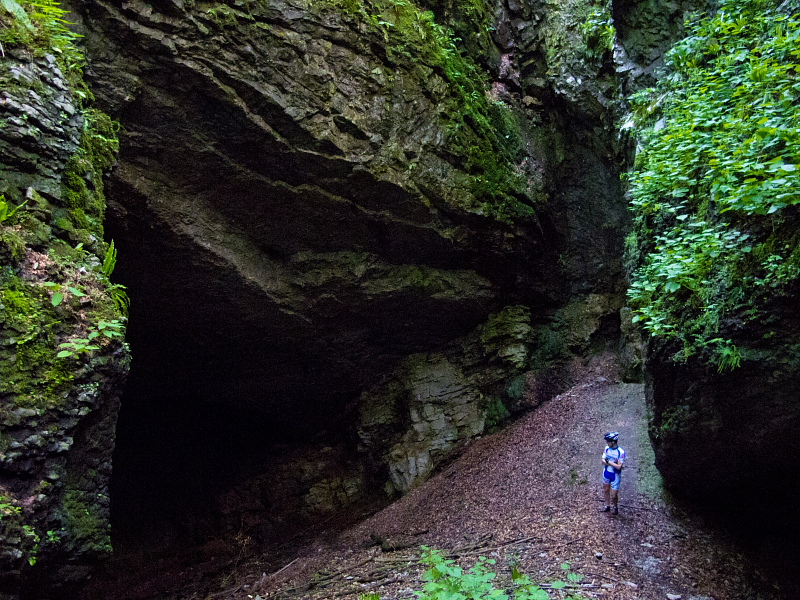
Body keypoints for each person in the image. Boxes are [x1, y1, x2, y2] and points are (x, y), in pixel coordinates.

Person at [600, 432, 625, 515]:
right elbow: (602, 461)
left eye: (608, 441)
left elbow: (619, 467)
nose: (607, 443)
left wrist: (609, 462)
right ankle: (607, 506)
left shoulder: (620, 452)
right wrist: (613, 463)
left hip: (615, 475)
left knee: (614, 495)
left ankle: (615, 506)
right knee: (606, 490)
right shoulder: (607, 448)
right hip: (606, 472)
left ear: (613, 441)